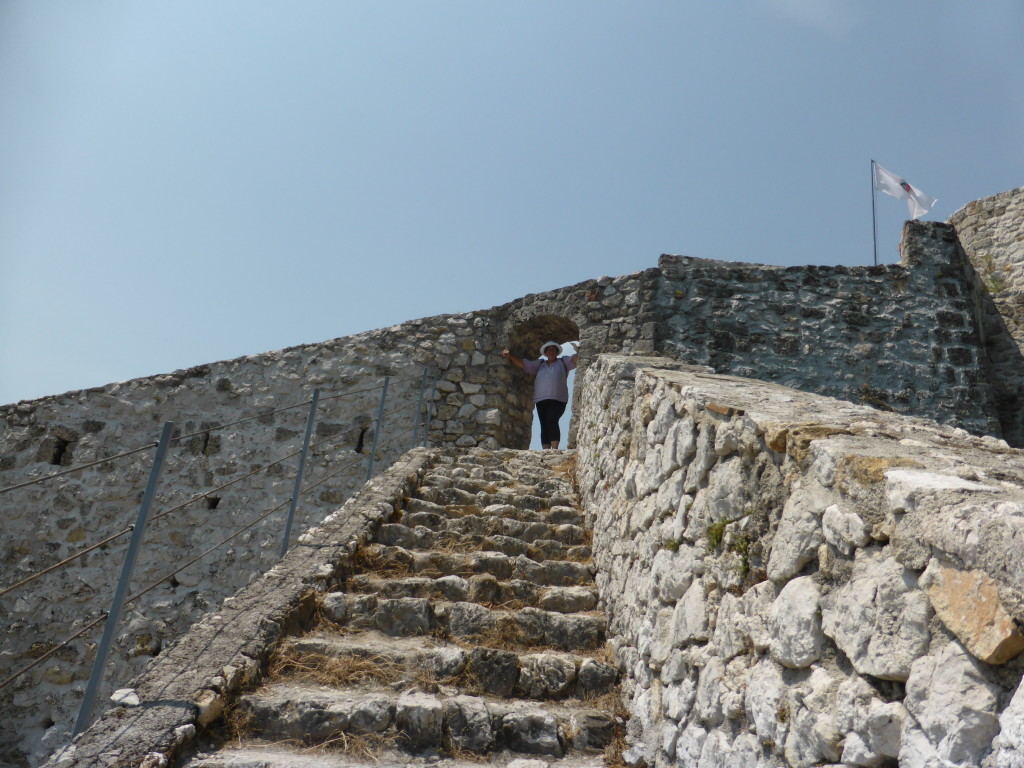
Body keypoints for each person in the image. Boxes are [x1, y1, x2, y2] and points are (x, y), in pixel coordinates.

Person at [502, 340, 579, 449]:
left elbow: (575, 360)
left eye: (553, 350)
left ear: (557, 352)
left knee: (551, 420)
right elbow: (523, 364)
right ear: (545, 352)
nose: (551, 352)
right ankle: (546, 449)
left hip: (558, 399)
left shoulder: (563, 362)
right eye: (549, 350)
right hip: (541, 399)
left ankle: (555, 449)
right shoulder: (540, 364)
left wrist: (579, 351)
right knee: (544, 423)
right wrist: (510, 356)